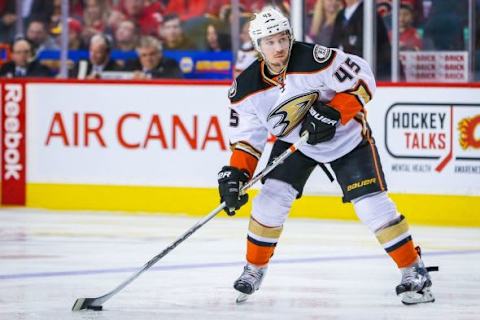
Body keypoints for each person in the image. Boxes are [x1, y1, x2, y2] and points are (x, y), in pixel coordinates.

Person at [217, 7, 437, 305]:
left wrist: (335, 112)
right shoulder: (245, 89)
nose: (279, 47)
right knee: (269, 201)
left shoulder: (314, 59)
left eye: (283, 39)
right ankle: (254, 268)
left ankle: (414, 270)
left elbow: (362, 78)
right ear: (258, 46)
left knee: (371, 205)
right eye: (270, 42)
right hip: (297, 143)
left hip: (346, 138)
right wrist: (236, 175)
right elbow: (247, 140)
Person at [330, 0, 391, 80]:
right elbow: (335, 43)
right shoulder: (341, 14)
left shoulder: (368, 12)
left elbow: (367, 46)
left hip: (372, 72)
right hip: (348, 70)